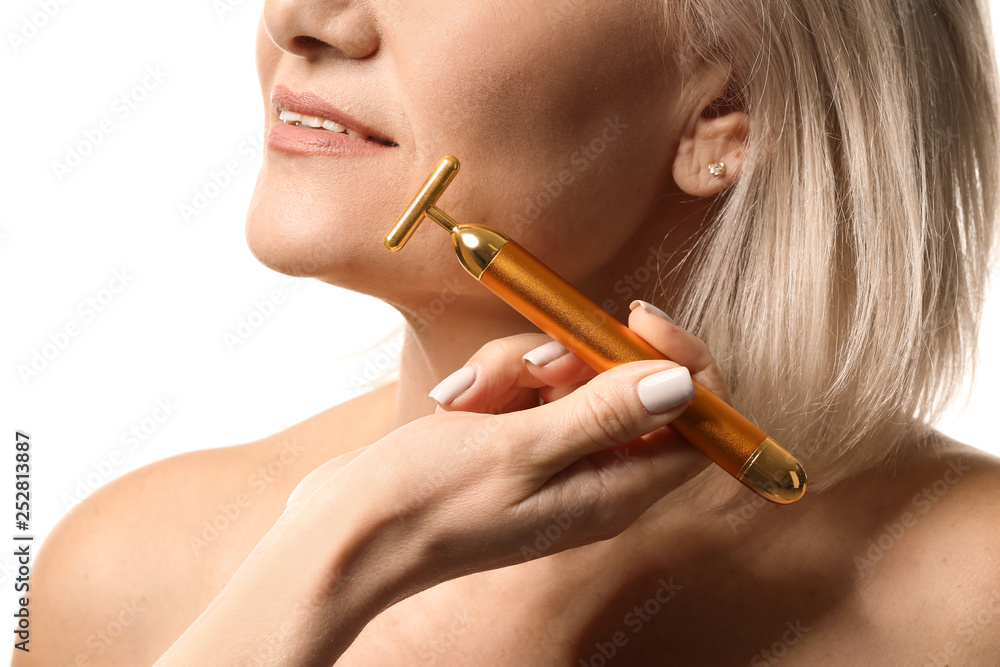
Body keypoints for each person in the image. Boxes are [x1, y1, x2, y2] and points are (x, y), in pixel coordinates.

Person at [20, 0, 1000, 664]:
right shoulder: (120, 568)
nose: (302, 17)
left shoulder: (969, 589)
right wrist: (334, 552)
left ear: (727, 109)